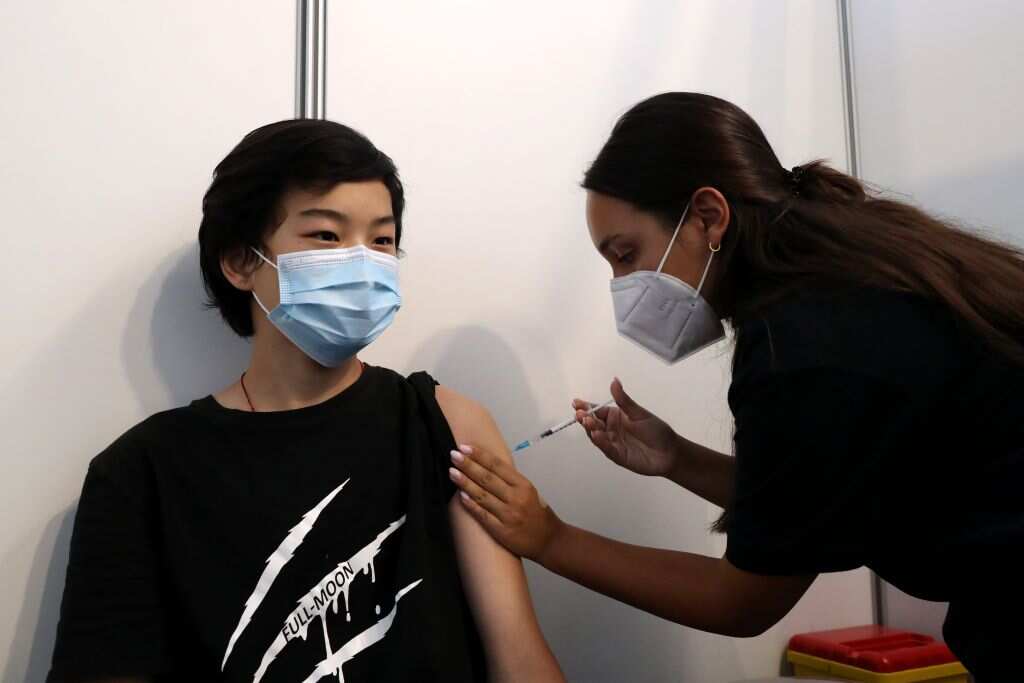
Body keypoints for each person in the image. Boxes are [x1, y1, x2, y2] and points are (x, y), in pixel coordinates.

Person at [448, 92, 1024, 682]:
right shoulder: (850, 272)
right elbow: (810, 502)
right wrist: (677, 458)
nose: (622, 286)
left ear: (707, 216)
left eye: (627, 255)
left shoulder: (804, 343)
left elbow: (742, 601)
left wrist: (549, 538)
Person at [47, 120, 564, 683]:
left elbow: (519, 659)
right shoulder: (140, 473)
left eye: (383, 240)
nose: (362, 262)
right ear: (241, 262)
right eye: (326, 236)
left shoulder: (444, 423)